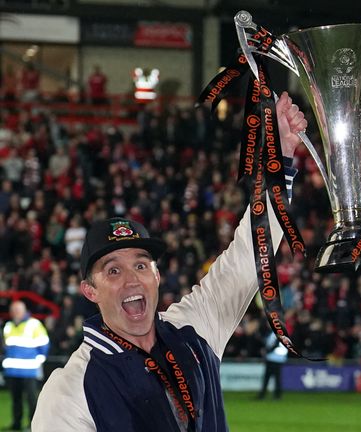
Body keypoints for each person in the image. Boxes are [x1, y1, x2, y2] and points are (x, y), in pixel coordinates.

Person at [31, 92, 308, 431]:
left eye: (141, 264)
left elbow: (248, 256)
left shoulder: (192, 330)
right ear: (90, 291)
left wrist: (279, 162)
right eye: (113, 270)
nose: (132, 279)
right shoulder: (69, 390)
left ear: (157, 275)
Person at [2, 300, 49, 432]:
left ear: (24, 311)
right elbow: (7, 347)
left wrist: (39, 360)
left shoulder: (33, 324)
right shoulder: (9, 325)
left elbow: (44, 344)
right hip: (13, 370)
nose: (15, 312)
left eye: (18, 310)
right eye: (13, 310)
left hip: (30, 369)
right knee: (16, 399)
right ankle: (16, 423)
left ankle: (32, 425)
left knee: (32, 399)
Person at [258, 331, 288, 400]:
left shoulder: (278, 333)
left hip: (275, 358)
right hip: (275, 358)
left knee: (269, 378)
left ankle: (265, 395)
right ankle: (276, 395)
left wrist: (267, 351)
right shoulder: (275, 333)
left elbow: (275, 345)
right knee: (274, 378)